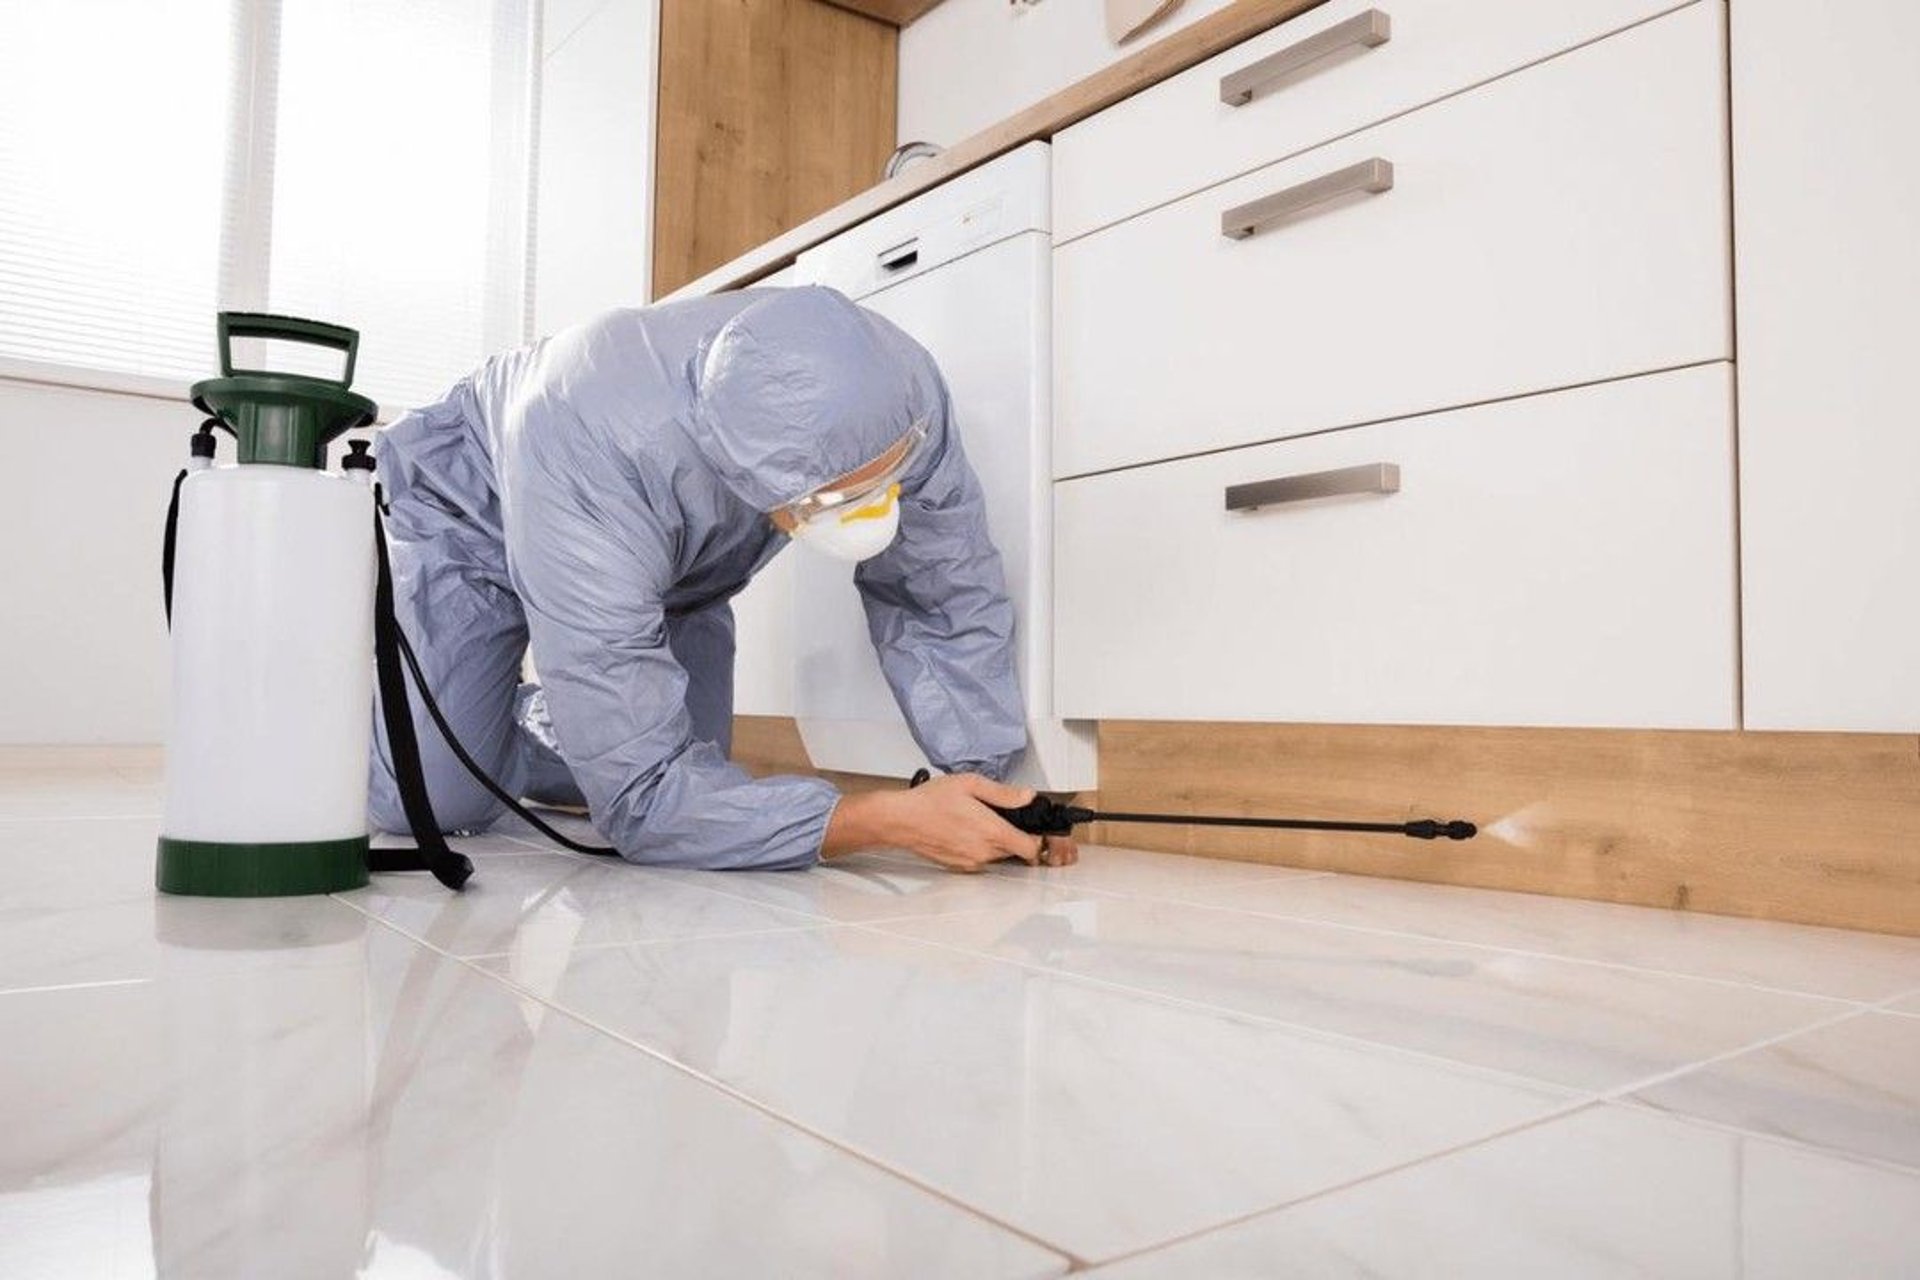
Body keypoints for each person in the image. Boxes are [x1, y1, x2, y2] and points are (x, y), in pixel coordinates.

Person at [368, 285, 1078, 873]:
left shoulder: (899, 396)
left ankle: (572, 703)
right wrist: (877, 819)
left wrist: (986, 782)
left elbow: (941, 588)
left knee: (703, 778)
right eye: (833, 502)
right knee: (434, 799)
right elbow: (644, 802)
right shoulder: (593, 450)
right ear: (744, 469)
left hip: (670, 563)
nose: (873, 515)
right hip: (483, 513)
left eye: (885, 481)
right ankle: (516, 712)